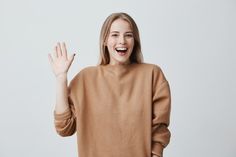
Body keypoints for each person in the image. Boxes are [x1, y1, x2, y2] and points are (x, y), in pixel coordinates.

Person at [48, 12, 171, 157]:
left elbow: (159, 130)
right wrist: (61, 78)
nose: (122, 41)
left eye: (128, 35)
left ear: (135, 41)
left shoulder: (152, 74)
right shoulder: (86, 78)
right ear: (104, 40)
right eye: (115, 35)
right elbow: (64, 128)